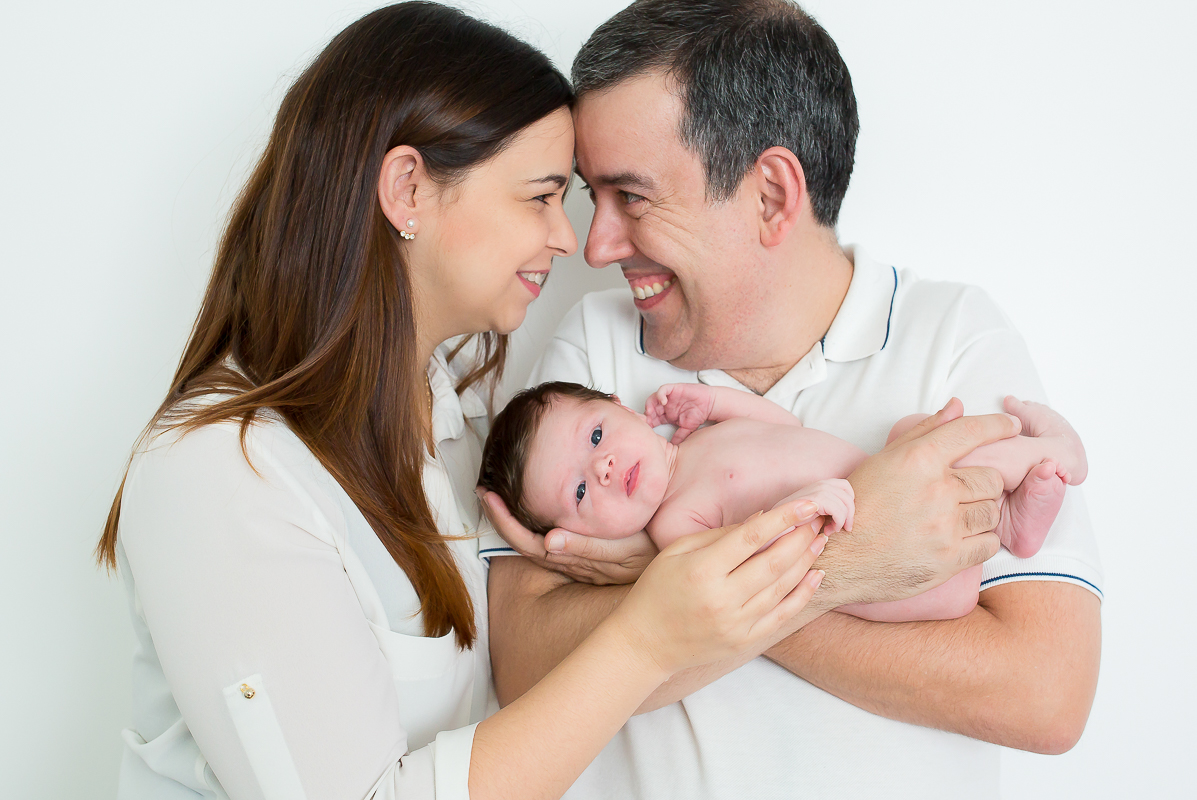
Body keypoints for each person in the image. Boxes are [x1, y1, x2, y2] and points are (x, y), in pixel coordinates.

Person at [94, 4, 845, 798]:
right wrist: (647, 641)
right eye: (541, 197)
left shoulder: (463, 429)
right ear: (407, 189)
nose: (570, 240)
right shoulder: (221, 475)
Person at [479, 1, 1103, 798]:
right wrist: (846, 564)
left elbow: (1044, 695)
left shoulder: (950, 334)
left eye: (629, 197)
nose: (594, 247)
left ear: (772, 195)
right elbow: (525, 664)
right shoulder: (591, 358)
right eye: (588, 198)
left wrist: (665, 581)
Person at [480, 380, 1086, 621]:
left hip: (904, 508)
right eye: (582, 490)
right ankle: (1054, 451)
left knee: (911, 432)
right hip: (894, 570)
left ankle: (1013, 521)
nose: (604, 466)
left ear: (619, 405)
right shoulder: (671, 525)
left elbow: (784, 425)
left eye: (595, 435)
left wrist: (716, 402)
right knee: (945, 465)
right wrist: (804, 504)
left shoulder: (697, 441)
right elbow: (746, 556)